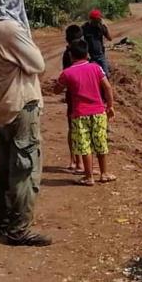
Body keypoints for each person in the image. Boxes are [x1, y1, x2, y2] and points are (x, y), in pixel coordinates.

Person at [0, 0, 51, 246]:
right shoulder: (11, 28)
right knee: (24, 169)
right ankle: (19, 230)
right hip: (22, 105)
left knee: (3, 168)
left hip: (0, 106)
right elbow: (38, 63)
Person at [54, 38, 116, 186]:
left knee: (84, 145)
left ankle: (89, 177)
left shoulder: (67, 73)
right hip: (99, 112)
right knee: (100, 142)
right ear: (87, 53)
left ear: (71, 56)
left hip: (80, 114)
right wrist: (110, 106)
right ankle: (104, 173)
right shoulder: (96, 68)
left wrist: (61, 84)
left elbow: (56, 90)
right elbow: (107, 87)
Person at [61, 24, 84, 173]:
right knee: (82, 128)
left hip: (72, 95)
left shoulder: (67, 53)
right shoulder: (80, 51)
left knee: (73, 127)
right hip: (82, 94)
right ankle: (80, 161)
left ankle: (75, 160)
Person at [81, 9, 111, 76]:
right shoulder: (85, 27)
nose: (97, 22)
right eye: (95, 20)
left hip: (100, 55)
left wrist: (105, 27)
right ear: (91, 19)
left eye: (98, 20)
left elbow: (109, 38)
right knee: (91, 76)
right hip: (90, 56)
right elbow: (79, 38)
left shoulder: (101, 27)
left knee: (105, 75)